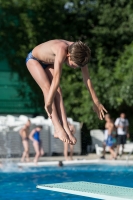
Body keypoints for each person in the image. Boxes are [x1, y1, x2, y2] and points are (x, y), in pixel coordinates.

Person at [26, 39, 107, 145]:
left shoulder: (81, 52)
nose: (75, 68)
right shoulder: (61, 49)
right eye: (74, 65)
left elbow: (87, 79)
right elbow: (56, 78)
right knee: (48, 88)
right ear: (68, 55)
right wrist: (49, 102)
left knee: (58, 90)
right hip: (34, 60)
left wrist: (96, 101)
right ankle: (57, 129)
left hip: (48, 62)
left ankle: (66, 127)